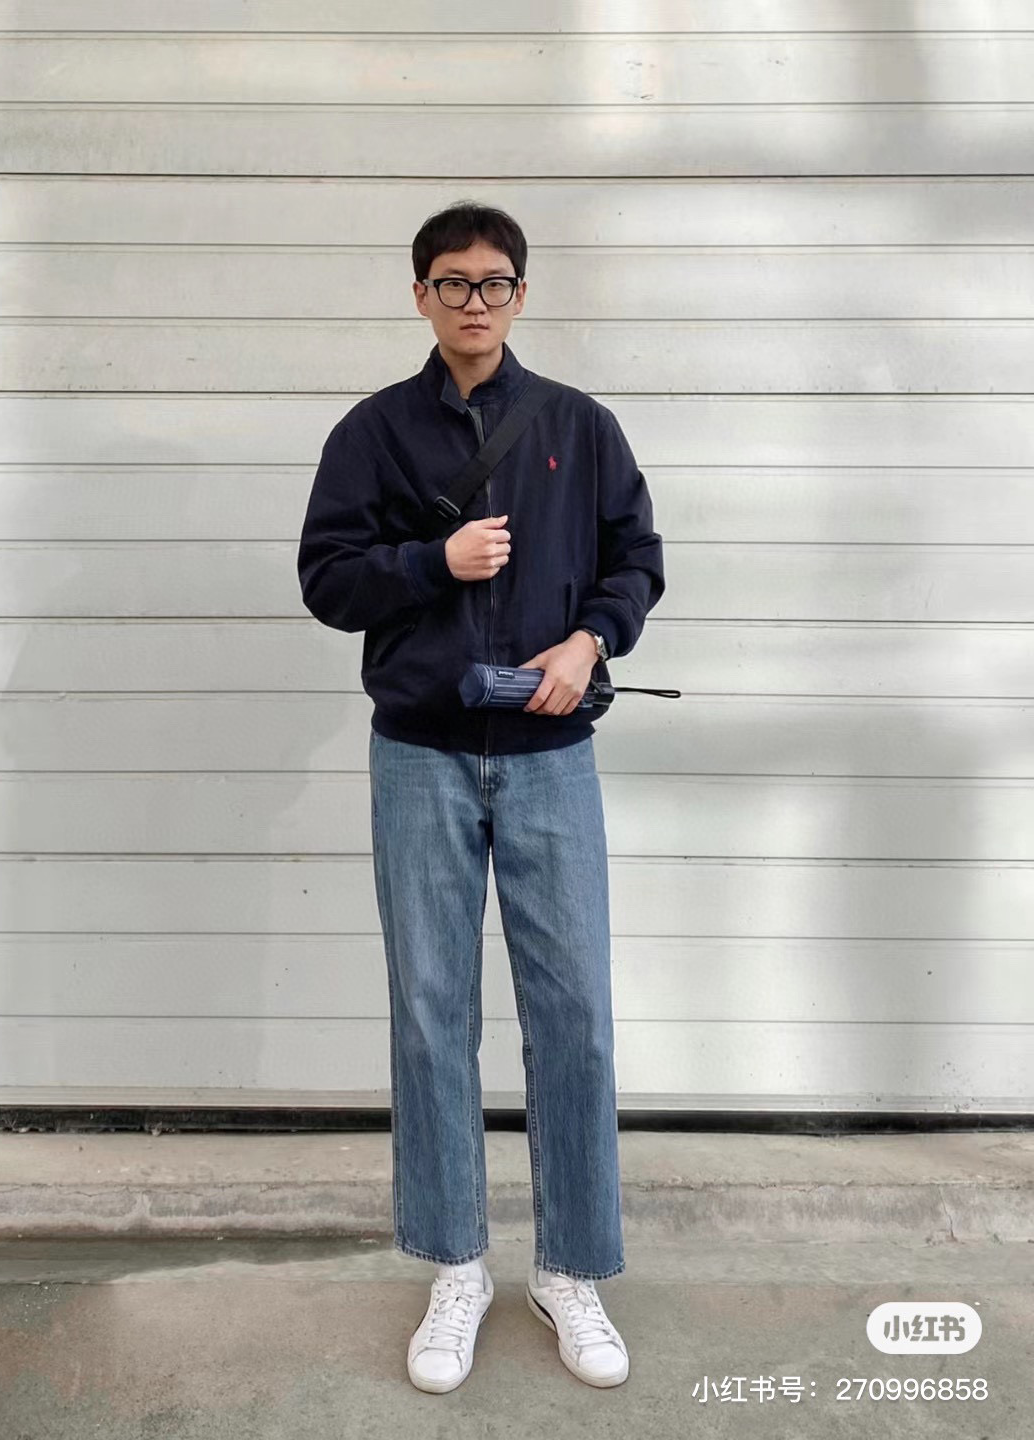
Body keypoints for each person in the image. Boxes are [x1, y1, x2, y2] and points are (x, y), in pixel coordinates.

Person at [297, 201, 665, 1393]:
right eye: (451, 282)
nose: (473, 301)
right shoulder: (371, 433)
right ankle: (456, 1265)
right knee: (430, 1010)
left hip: (553, 754)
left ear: (521, 294)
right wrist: (431, 563)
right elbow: (327, 580)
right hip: (421, 752)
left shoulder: (577, 425)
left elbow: (637, 558)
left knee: (577, 1013)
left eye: (493, 281)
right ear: (420, 294)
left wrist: (588, 642)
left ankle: (571, 1270)